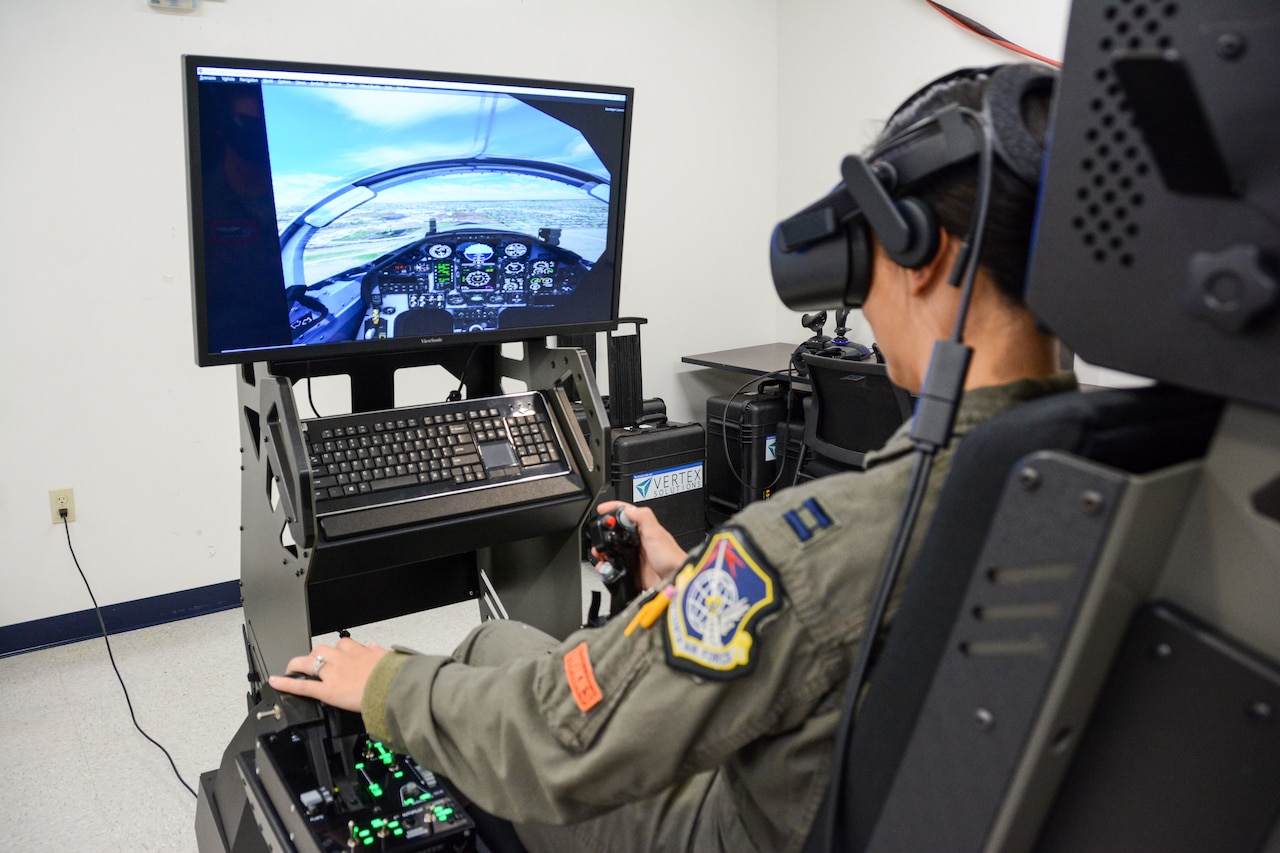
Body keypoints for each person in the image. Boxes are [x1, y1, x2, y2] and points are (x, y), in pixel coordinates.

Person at [271, 64, 1074, 852]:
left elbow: (562, 741)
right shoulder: (1112, 467)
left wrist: (380, 679)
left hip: (754, 824)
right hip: (907, 798)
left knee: (478, 657)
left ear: (922, 252)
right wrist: (700, 576)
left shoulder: (818, 543)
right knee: (497, 647)